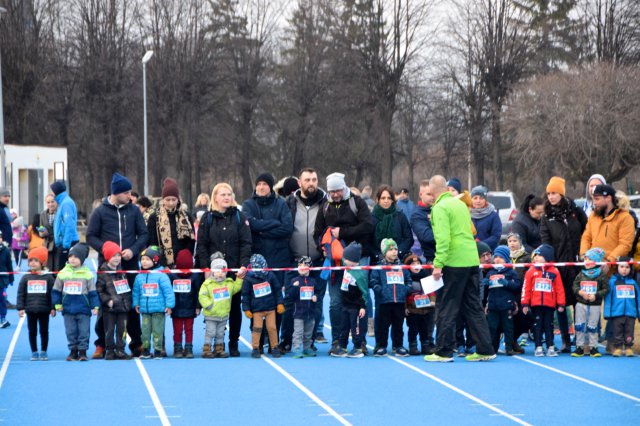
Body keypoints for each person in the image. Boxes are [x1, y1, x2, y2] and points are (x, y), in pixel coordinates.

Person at [423, 175, 495, 363]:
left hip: (453, 262)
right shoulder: (460, 205)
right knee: (473, 306)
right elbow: (472, 231)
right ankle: (486, 348)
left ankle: (443, 351)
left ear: (431, 190)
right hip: (471, 259)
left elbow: (443, 239)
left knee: (446, 306)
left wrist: (438, 264)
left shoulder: (440, 208)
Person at [86, 172, 149, 358]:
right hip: (107, 268)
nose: (131, 196)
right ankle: (102, 344)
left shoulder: (134, 211)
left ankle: (135, 342)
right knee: (106, 304)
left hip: (129, 265)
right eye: (127, 192)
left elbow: (144, 234)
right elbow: (90, 236)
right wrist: (106, 250)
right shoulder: (100, 211)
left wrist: (133, 250)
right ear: (116, 192)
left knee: (130, 303)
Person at [314, 172, 373, 355]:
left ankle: (360, 340)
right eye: (332, 191)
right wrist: (321, 248)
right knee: (335, 301)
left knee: (359, 301)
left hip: (357, 258)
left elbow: (368, 226)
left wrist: (343, 233)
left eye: (338, 190)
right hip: (334, 260)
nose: (336, 194)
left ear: (344, 187)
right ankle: (338, 341)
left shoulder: (357, 202)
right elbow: (317, 232)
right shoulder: (325, 206)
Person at [196, 183, 252, 357]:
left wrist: (243, 265)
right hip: (214, 272)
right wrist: (206, 268)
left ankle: (233, 342)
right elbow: (202, 245)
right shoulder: (207, 218)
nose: (227, 197)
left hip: (233, 271)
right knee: (213, 307)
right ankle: (212, 343)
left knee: (234, 307)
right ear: (215, 198)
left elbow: (246, 243)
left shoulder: (239, 217)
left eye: (229, 194)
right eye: (223, 194)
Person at [242, 172, 293, 351]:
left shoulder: (281, 204)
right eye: (259, 184)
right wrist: (272, 224)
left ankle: (274, 340)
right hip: (256, 259)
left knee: (276, 300)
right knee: (256, 299)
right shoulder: (248, 204)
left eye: (265, 184)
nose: (261, 187)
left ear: (271, 187)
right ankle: (258, 339)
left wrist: (261, 229)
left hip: (278, 259)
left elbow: (287, 228)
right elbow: (250, 225)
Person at [540, 176, 587, 353]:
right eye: (549, 193)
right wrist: (551, 263)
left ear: (561, 193)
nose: (551, 197)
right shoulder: (546, 216)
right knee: (560, 303)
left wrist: (582, 254)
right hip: (559, 265)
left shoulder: (575, 210)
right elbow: (545, 242)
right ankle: (566, 341)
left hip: (576, 264)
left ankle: (580, 339)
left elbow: (586, 230)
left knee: (578, 302)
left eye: (554, 193)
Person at [286, 168, 328, 344]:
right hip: (295, 261)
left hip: (318, 261)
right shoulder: (289, 202)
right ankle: (287, 340)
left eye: (314, 179)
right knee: (291, 303)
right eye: (307, 180)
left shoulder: (326, 202)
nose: (311, 183)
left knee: (316, 302)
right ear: (300, 183)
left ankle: (310, 340)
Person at [52, 243, 99, 361]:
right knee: (70, 331)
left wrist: (95, 306)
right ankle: (73, 351)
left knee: (84, 331)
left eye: (76, 257)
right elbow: (56, 291)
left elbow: (93, 292)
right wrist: (57, 304)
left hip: (83, 309)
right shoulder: (62, 273)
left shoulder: (88, 274)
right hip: (68, 309)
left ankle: (82, 351)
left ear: (82, 259)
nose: (72, 259)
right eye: (70, 256)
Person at [521, 244, 566, 357]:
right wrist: (525, 303)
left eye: (539, 255)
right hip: (536, 305)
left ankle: (550, 346)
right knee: (537, 325)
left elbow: (559, 288)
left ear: (547, 257)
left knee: (549, 326)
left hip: (549, 305)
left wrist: (561, 303)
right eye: (535, 255)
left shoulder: (554, 271)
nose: (536, 257)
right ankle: (538, 346)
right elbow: (525, 288)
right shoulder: (531, 271)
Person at [198, 253, 244, 358]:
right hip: (211, 314)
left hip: (223, 315)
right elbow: (202, 295)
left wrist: (240, 279)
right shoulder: (208, 284)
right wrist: (208, 305)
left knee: (220, 333)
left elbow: (236, 288)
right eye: (217, 271)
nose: (220, 273)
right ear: (213, 272)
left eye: (223, 271)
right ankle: (207, 349)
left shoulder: (229, 283)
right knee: (210, 332)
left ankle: (219, 349)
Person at [371, 239, 412, 357]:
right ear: (384, 252)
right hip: (384, 301)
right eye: (390, 249)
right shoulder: (378, 267)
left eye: (395, 249)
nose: (394, 252)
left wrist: (405, 289)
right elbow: (374, 281)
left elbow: (408, 280)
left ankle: (398, 346)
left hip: (399, 301)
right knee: (383, 325)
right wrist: (381, 291)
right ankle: (381, 346)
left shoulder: (402, 267)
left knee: (398, 326)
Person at [132, 246, 175, 359]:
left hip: (158, 310)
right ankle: (145, 350)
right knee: (145, 332)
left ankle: (157, 350)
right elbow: (136, 292)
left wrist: (169, 306)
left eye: (147, 259)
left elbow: (168, 292)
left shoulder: (161, 275)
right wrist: (136, 303)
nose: (144, 262)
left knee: (157, 331)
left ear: (155, 260)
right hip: (145, 311)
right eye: (142, 259)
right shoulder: (139, 277)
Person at [580, 184, 635, 266]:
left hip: (615, 272)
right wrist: (585, 256)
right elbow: (586, 238)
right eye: (593, 199)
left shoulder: (625, 218)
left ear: (608, 198)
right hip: (592, 267)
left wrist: (609, 262)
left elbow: (625, 244)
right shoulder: (593, 216)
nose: (594, 203)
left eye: (597, 199)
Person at [16, 247, 55, 360]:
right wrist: (20, 308)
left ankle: (43, 351)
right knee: (32, 331)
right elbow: (20, 293)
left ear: (42, 262)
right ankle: (34, 351)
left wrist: (53, 307)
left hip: (44, 310)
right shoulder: (25, 278)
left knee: (44, 331)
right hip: (30, 310)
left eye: (36, 260)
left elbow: (53, 294)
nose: (32, 263)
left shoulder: (48, 277)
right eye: (30, 260)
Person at [242, 254, 284, 359]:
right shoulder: (248, 278)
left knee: (272, 328)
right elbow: (245, 295)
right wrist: (246, 309)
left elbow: (277, 290)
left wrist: (280, 303)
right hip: (257, 310)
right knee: (257, 328)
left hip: (270, 308)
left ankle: (274, 347)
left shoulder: (270, 275)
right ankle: (256, 348)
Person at [147, 178, 196, 267]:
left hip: (182, 263)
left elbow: (191, 240)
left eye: (174, 199)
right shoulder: (154, 217)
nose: (171, 203)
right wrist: (161, 262)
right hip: (161, 263)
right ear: (163, 199)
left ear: (178, 199)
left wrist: (185, 258)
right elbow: (152, 242)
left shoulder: (186, 216)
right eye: (168, 199)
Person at [571, 247, 610, 357]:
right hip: (581, 304)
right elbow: (574, 286)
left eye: (589, 259)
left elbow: (606, 289)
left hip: (595, 305)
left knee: (593, 326)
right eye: (585, 259)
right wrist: (580, 292)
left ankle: (593, 347)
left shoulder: (601, 275)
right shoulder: (581, 274)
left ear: (596, 261)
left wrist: (596, 295)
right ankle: (580, 347)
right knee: (579, 325)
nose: (586, 262)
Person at [482, 245, 521, 355]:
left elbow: (517, 286)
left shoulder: (510, 272)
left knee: (508, 328)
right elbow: (486, 289)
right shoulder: (491, 272)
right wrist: (485, 283)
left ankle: (509, 348)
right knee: (492, 328)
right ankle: (492, 348)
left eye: (501, 257)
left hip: (506, 305)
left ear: (506, 259)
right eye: (496, 257)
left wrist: (507, 283)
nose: (497, 259)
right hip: (493, 306)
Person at [96, 241, 132, 360]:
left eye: (118, 255)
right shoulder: (102, 272)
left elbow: (126, 288)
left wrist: (127, 301)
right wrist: (108, 301)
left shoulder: (122, 271)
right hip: (110, 309)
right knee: (109, 330)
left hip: (123, 308)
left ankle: (120, 350)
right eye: (113, 256)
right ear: (107, 257)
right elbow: (99, 290)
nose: (117, 259)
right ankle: (110, 350)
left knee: (122, 330)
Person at [333, 243, 368, 358]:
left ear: (353, 260)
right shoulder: (346, 269)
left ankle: (357, 347)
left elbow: (364, 292)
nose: (343, 260)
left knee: (355, 328)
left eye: (346, 258)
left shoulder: (359, 274)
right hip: (345, 305)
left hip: (355, 307)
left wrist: (362, 306)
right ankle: (343, 346)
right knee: (344, 327)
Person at [169, 249, 203, 359]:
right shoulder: (172, 276)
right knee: (178, 330)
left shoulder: (195, 276)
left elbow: (199, 292)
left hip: (190, 308)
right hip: (176, 308)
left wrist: (198, 306)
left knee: (188, 330)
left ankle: (188, 348)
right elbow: (169, 293)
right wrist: (169, 306)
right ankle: (178, 348)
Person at [603, 257, 639, 357]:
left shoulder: (633, 282)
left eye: (627, 267)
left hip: (630, 313)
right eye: (622, 267)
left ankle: (628, 348)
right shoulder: (612, 282)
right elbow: (608, 298)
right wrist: (607, 313)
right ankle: (618, 347)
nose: (624, 269)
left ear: (630, 268)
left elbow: (638, 299)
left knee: (629, 331)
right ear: (617, 267)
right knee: (617, 331)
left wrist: (638, 313)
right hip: (616, 313)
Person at [404, 254, 436, 355]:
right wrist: (405, 307)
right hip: (412, 308)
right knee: (413, 328)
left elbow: (431, 291)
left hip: (425, 308)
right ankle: (413, 346)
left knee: (425, 328)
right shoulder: (407, 278)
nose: (416, 266)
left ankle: (425, 346)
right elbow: (404, 294)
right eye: (413, 264)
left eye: (418, 263)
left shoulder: (426, 276)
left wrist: (432, 300)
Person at [289, 256, 318, 358]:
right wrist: (294, 287)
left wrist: (315, 297)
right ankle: (296, 349)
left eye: (305, 265)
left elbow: (316, 292)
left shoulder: (313, 281)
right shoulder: (294, 280)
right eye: (300, 265)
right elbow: (290, 296)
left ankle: (306, 348)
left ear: (310, 267)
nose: (302, 267)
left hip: (310, 313)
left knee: (308, 332)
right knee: (298, 332)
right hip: (298, 313)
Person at [507, 232, 531, 353]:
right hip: (507, 292)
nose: (512, 243)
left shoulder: (527, 257)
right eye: (510, 241)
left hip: (522, 293)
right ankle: (508, 342)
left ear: (520, 243)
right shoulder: (504, 257)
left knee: (523, 317)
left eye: (515, 241)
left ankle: (514, 340)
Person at [50, 181, 79, 271]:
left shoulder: (66, 203)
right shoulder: (62, 203)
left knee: (64, 273)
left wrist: (66, 245)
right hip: (63, 242)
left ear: (56, 191)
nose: (51, 193)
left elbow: (69, 225)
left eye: (52, 191)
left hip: (67, 243)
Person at [411, 179, 436, 263]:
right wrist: (448, 236)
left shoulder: (440, 209)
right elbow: (426, 236)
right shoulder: (417, 214)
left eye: (434, 194)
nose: (432, 197)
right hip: (428, 258)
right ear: (420, 195)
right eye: (429, 194)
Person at [469, 185, 502, 251]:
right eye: (475, 198)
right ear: (471, 199)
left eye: (481, 198)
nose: (478, 201)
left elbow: (496, 236)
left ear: (485, 200)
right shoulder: (466, 214)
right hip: (470, 251)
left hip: (488, 251)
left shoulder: (493, 215)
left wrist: (480, 245)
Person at [36, 194, 57, 270]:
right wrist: (42, 233)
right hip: (47, 245)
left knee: (58, 268)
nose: (50, 204)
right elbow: (41, 227)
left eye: (52, 202)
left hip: (58, 244)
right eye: (48, 202)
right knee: (48, 268)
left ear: (56, 202)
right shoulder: (42, 214)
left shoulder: (60, 213)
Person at [0, 231, 14, 328]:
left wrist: (11, 278)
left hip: (2, 280)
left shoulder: (6, 251)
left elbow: (9, 266)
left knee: (2, 299)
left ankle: (2, 319)